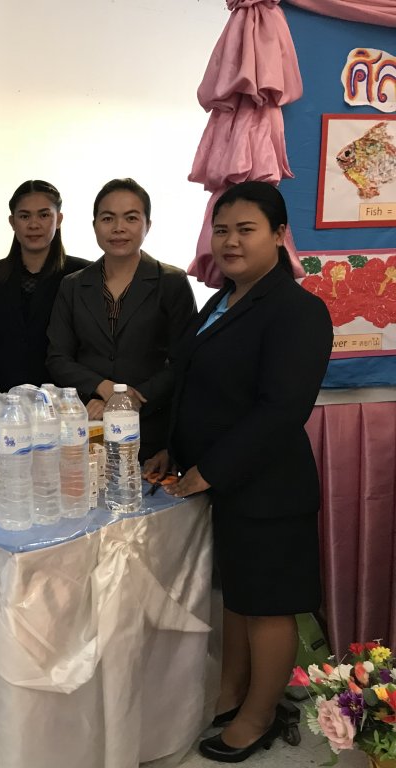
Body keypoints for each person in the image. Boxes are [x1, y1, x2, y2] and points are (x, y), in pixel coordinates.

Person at [144, 181, 332, 763]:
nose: (230, 241)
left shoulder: (298, 311)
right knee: (237, 598)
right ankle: (230, 695)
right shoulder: (221, 300)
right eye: (221, 230)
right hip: (223, 482)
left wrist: (210, 470)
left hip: (268, 486)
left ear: (279, 235)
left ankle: (258, 718)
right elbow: (192, 384)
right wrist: (170, 451)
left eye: (245, 230)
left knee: (267, 605)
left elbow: (282, 408)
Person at [46, 178, 195, 461]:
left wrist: (130, 399)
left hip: (150, 430)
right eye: (107, 218)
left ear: (147, 225)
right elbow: (58, 358)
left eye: (131, 218)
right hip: (88, 424)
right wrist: (104, 389)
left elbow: (185, 360)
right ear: (94, 225)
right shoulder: (73, 285)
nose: (118, 227)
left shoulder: (171, 282)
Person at [0, 180, 89, 392]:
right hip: (3, 397)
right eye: (24, 216)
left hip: (63, 398)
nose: (34, 225)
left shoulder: (81, 274)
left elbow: (89, 346)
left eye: (44, 215)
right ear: (12, 222)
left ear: (59, 219)